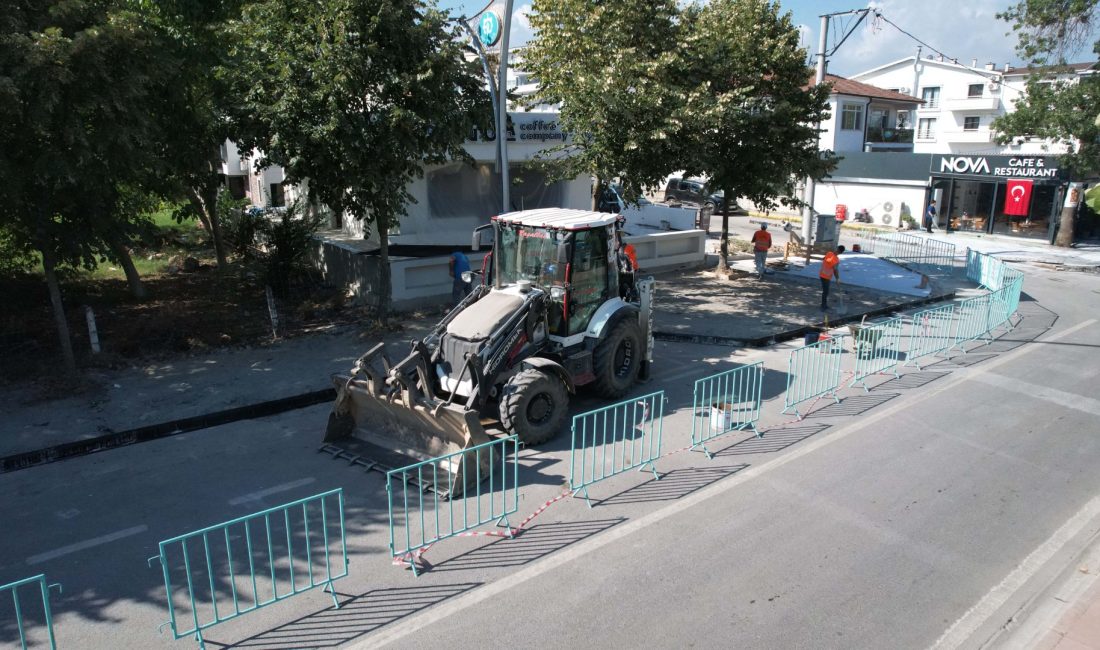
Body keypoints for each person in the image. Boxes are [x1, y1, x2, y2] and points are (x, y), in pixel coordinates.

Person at [819, 245, 845, 311]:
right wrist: (838, 278)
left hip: (822, 274)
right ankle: (823, 306)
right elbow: (835, 270)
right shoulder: (836, 260)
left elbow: (823, 258)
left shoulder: (829, 253)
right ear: (841, 252)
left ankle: (824, 305)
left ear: (837, 248)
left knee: (825, 291)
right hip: (826, 276)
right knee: (826, 291)